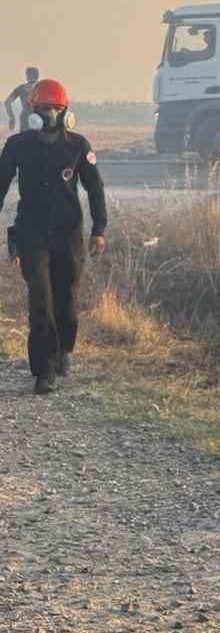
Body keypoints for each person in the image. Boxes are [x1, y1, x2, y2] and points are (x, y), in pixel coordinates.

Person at [0, 79, 107, 395]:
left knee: (67, 300)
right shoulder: (17, 146)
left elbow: (95, 188)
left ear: (66, 112)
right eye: (44, 108)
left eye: (56, 108)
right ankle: (42, 371)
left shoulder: (78, 146)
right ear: (32, 112)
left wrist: (99, 229)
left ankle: (63, 351)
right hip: (31, 232)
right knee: (40, 300)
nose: (49, 113)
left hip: (68, 233)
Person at [4, 66, 41, 131]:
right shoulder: (42, 87)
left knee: (24, 139)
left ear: (27, 76)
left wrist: (11, 117)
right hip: (39, 117)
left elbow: (7, 102)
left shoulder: (21, 88)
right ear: (37, 76)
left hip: (26, 117)